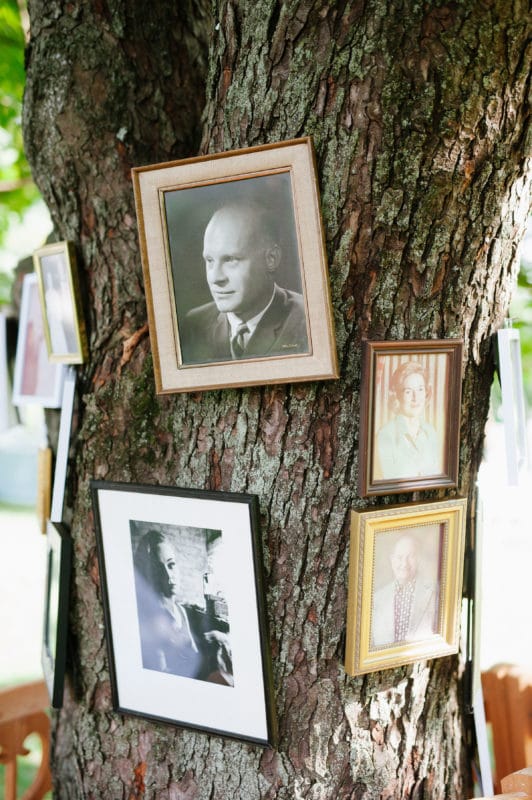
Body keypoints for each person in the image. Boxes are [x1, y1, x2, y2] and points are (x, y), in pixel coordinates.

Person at [180, 201, 309, 364]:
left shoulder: (307, 321)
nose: (215, 278)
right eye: (210, 260)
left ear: (271, 258)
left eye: (230, 259)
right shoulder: (193, 324)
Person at [133, 528, 233, 686]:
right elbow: (162, 681)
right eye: (159, 569)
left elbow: (193, 654)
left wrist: (218, 638)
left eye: (171, 565)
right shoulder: (150, 621)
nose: (168, 575)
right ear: (148, 574)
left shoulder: (181, 611)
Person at [375, 360, 442, 480]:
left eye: (420, 389)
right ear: (397, 395)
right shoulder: (386, 434)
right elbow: (388, 481)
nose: (415, 398)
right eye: (408, 391)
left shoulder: (431, 432)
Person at [371, 533, 439, 648]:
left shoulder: (433, 592)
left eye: (411, 556)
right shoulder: (377, 598)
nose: (404, 563)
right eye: (399, 557)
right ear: (392, 560)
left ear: (419, 559)